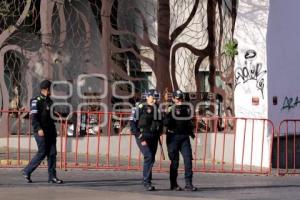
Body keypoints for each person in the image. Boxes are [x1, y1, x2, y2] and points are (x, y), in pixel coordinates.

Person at [22, 80, 63, 184]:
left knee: (52, 153)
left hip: (50, 132)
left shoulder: (50, 101)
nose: (52, 91)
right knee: (42, 152)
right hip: (40, 131)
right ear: (46, 89)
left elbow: (51, 117)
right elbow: (33, 117)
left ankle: (52, 177)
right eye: (51, 88)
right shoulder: (36, 100)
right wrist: (38, 128)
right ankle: (27, 171)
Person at [163, 89, 197, 191]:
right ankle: (173, 184)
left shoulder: (186, 108)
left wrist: (191, 129)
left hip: (184, 137)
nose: (180, 100)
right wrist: (167, 115)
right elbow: (165, 123)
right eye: (178, 98)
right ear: (173, 99)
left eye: (181, 98)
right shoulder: (170, 108)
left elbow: (189, 121)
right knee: (175, 162)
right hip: (173, 137)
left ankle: (189, 184)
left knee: (188, 160)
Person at [130, 89, 162, 191]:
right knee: (148, 156)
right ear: (147, 97)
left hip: (153, 136)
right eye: (153, 97)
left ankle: (147, 179)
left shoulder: (157, 108)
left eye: (156, 97)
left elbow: (160, 122)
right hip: (142, 136)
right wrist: (138, 134)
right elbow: (132, 122)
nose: (155, 99)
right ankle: (146, 181)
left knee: (151, 158)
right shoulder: (140, 106)